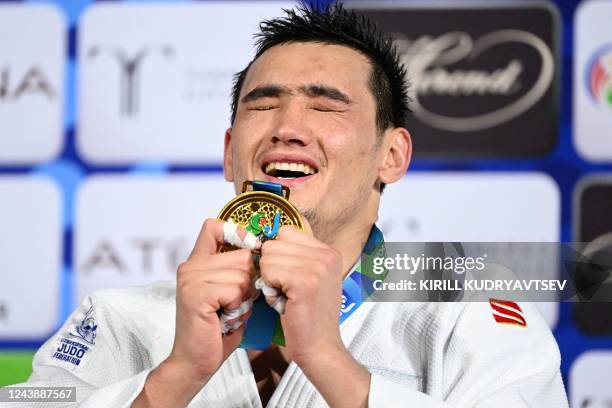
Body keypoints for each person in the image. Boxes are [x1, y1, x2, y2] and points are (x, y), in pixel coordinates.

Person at [11, 4, 569, 408]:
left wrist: (330, 363)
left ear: (392, 156)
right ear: (232, 153)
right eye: (264, 103)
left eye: (326, 107)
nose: (287, 128)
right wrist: (178, 376)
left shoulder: (473, 314)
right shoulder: (113, 319)